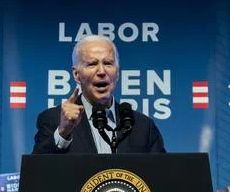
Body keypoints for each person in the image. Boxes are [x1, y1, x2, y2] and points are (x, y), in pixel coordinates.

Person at [32, 35, 165, 154]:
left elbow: (162, 176)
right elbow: (37, 173)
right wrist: (63, 132)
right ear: (76, 75)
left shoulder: (142, 126)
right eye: (92, 64)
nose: (101, 71)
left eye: (108, 63)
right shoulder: (53, 120)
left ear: (117, 73)